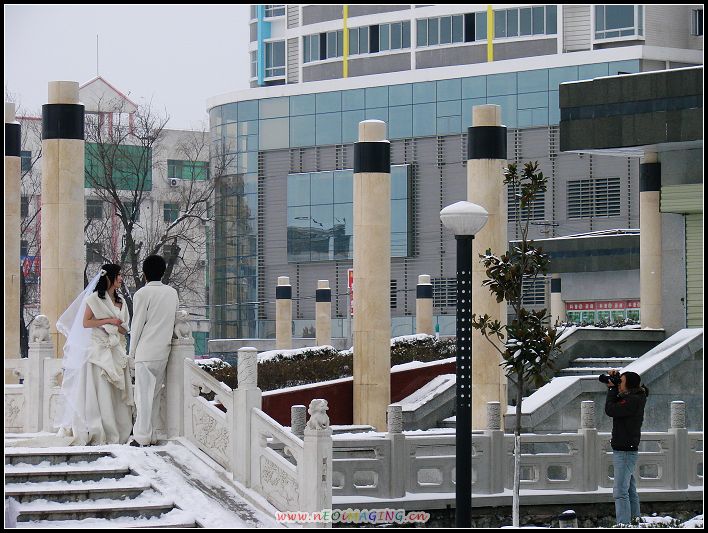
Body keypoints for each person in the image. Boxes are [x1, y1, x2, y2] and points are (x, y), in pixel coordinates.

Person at [57, 264, 134, 445]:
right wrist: (109, 321)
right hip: (97, 351)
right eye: (119, 275)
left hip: (116, 349)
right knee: (100, 391)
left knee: (115, 394)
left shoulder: (121, 300)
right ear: (110, 277)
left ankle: (117, 429)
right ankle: (98, 429)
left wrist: (119, 327)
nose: (121, 278)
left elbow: (124, 328)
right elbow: (86, 322)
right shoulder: (93, 299)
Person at [129, 255, 180, 447]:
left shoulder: (142, 294)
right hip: (163, 351)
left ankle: (141, 436)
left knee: (142, 395)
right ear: (163, 271)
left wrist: (132, 352)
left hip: (145, 351)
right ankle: (151, 434)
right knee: (155, 395)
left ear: (144, 274)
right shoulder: (172, 293)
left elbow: (137, 325)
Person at [604, 369, 649, 526]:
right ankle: (635, 522)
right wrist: (615, 382)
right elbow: (618, 402)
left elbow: (610, 409)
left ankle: (623, 524)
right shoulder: (635, 397)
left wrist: (611, 389)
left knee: (620, 492)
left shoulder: (632, 400)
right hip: (625, 449)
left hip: (624, 450)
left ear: (629, 385)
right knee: (629, 490)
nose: (618, 385)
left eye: (621, 382)